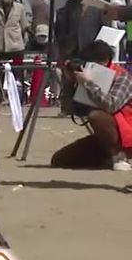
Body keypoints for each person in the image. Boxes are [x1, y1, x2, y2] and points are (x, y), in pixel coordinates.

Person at [51, 40, 132, 170]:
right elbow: (69, 109)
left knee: (96, 116)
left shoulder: (123, 77)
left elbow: (112, 105)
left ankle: (120, 156)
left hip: (127, 135)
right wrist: (69, 82)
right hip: (105, 138)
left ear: (105, 61)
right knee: (59, 160)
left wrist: (88, 83)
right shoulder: (89, 77)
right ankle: (108, 157)